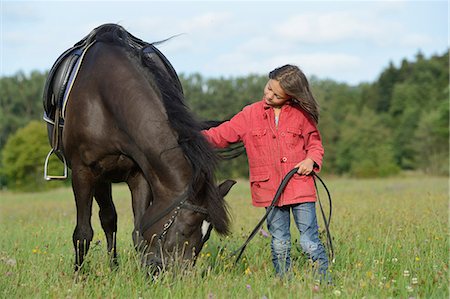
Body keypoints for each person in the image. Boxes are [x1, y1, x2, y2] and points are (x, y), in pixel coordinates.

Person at [202, 64, 330, 280]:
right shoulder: (249, 114)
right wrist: (191, 137)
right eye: (268, 88)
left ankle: (324, 282)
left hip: (300, 186)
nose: (268, 95)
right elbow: (220, 135)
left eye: (276, 94)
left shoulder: (301, 115)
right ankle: (283, 283)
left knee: (309, 242)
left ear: (290, 96)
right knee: (279, 242)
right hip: (269, 191)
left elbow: (315, 144)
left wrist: (311, 159)